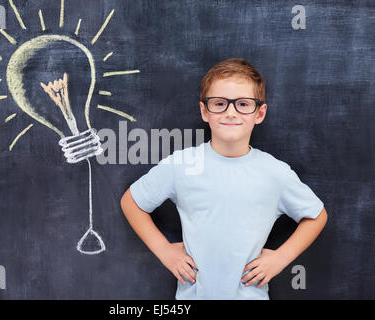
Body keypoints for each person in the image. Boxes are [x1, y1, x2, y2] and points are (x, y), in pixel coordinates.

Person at [120, 58, 328, 299]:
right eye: (219, 103)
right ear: (204, 111)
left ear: (259, 113)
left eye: (242, 104)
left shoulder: (275, 173)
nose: (231, 112)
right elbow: (132, 202)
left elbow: (316, 215)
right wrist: (165, 251)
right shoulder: (182, 165)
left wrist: (280, 258)